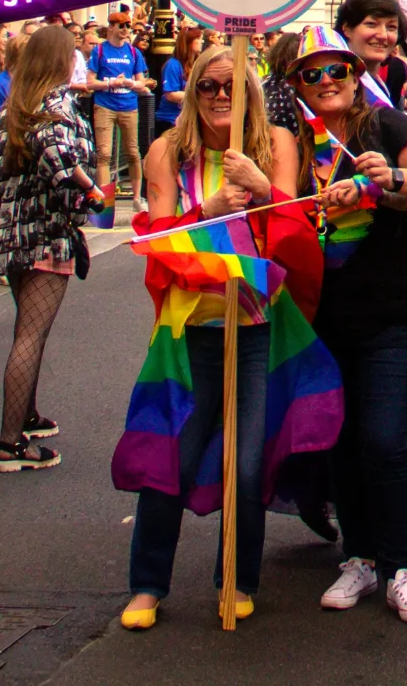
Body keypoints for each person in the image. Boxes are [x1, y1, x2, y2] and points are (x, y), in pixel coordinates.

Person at [117, 40, 313, 630]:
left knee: (247, 463)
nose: (221, 95)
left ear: (250, 92)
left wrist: (262, 187)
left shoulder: (273, 144)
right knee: (169, 457)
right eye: (209, 86)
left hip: (256, 326)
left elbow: (296, 225)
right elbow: (155, 237)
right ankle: (148, 585)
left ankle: (238, 576)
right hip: (190, 328)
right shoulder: (166, 152)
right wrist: (207, 216)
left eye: (233, 85)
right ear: (194, 92)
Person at [287, 27, 407, 623]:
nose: (326, 80)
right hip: (322, 315)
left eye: (337, 68)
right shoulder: (292, 143)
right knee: (342, 438)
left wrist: (389, 180)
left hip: (395, 313)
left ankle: (398, 567)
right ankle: (358, 557)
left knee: (385, 440)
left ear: (356, 73)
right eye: (311, 73)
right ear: (295, 85)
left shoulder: (383, 126)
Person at [0, 22, 99, 473]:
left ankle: (25, 414)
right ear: (61, 61)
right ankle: (10, 443)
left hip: (8, 235)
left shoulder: (12, 111)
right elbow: (61, 163)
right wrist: (90, 192)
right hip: (46, 234)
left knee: (26, 332)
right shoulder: (55, 107)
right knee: (31, 335)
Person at [88, 13, 152, 228]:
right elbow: (90, 82)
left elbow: (142, 83)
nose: (126, 30)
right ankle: (105, 203)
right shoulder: (99, 50)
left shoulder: (133, 52)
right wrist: (111, 83)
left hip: (129, 106)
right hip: (105, 104)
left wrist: (131, 84)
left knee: (133, 151)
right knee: (104, 153)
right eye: (122, 26)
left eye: (128, 26)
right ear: (112, 27)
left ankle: (137, 198)